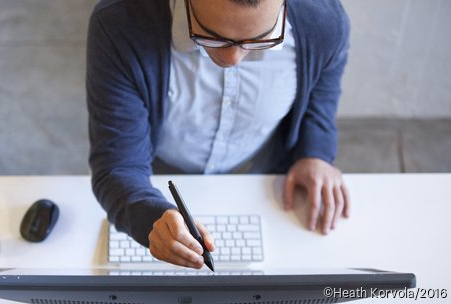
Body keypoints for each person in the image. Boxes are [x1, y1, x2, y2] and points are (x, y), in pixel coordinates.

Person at [86, 0, 351, 269]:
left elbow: (321, 94)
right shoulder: (118, 24)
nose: (232, 59)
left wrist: (315, 152)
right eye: (211, 38)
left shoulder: (325, 22)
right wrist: (149, 216)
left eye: (260, 40)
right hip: (159, 170)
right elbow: (118, 164)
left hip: (262, 172)